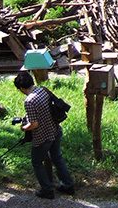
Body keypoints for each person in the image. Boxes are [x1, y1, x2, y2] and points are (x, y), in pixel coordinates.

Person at [15, 71, 75, 199]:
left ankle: (47, 189)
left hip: (43, 136)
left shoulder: (29, 101)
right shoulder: (43, 90)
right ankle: (68, 185)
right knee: (57, 158)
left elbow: (34, 124)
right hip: (55, 130)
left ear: (21, 88)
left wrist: (23, 127)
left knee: (36, 162)